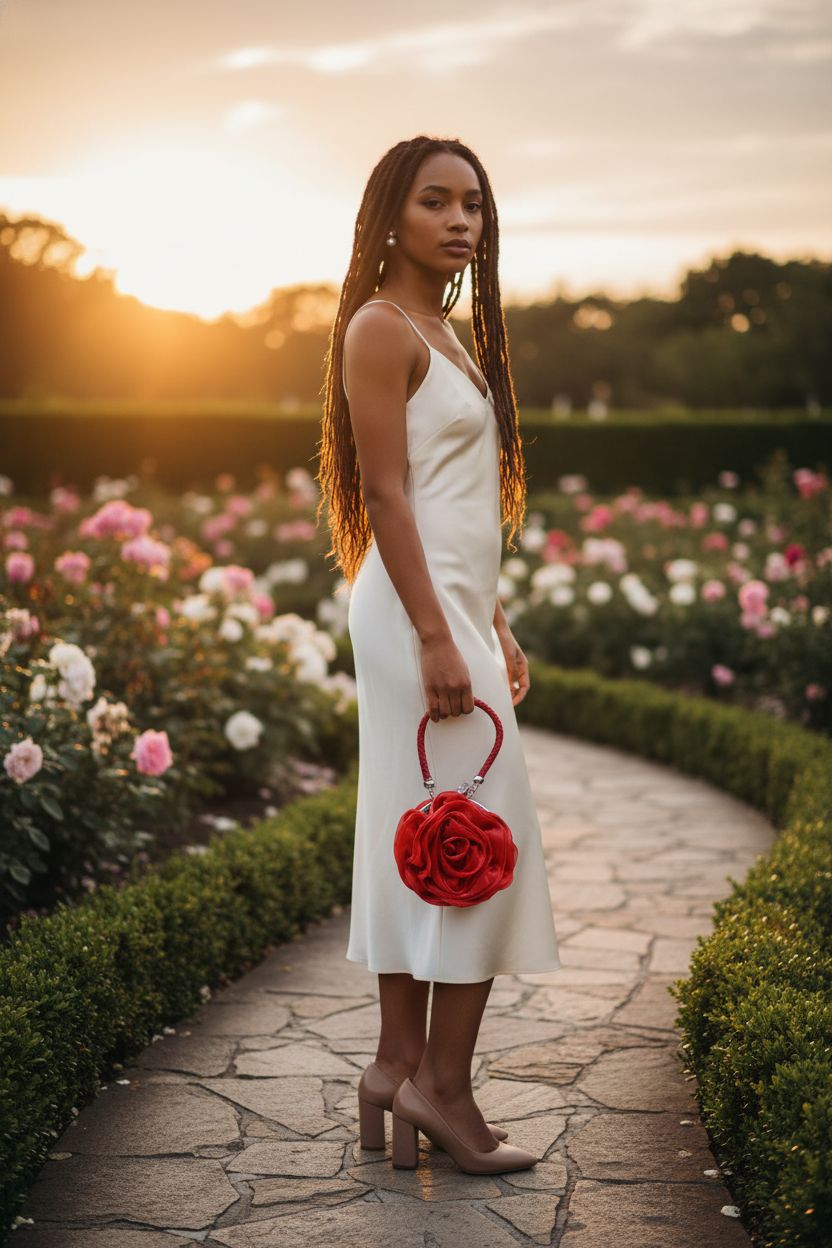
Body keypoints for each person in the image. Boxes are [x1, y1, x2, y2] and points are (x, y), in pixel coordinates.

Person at [316, 135, 561, 1174]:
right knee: (478, 839)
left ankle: (393, 1065)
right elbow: (387, 497)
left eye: (472, 204)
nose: (460, 221)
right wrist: (431, 632)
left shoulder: (445, 330)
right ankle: (442, 1091)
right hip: (411, 614)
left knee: (422, 827)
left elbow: (457, 505)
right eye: (435, 202)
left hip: (452, 606)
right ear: (391, 216)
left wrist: (489, 619)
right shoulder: (381, 327)